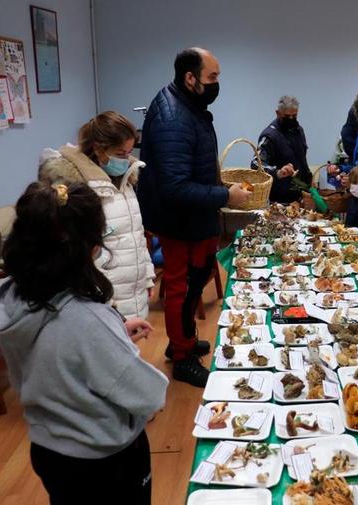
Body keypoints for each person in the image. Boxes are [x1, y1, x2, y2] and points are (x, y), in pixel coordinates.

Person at [0, 182, 168, 505]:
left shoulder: (14, 300)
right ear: (88, 249)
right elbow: (149, 393)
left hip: (49, 449)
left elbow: (55, 351)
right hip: (105, 460)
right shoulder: (87, 321)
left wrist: (111, 332)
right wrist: (107, 337)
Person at [137, 47, 251, 387]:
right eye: (212, 78)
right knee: (181, 288)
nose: (217, 84)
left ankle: (182, 341)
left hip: (194, 220)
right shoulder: (174, 116)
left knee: (193, 283)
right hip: (179, 223)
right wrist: (226, 196)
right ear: (190, 78)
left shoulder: (188, 105)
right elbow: (174, 188)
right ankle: (183, 357)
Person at [38, 111, 154, 320]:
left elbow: (136, 233)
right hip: (104, 298)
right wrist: (103, 298)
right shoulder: (78, 189)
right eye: (120, 153)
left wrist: (146, 278)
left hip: (131, 292)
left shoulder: (125, 179)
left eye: (129, 152)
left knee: (128, 349)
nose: (126, 159)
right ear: (99, 149)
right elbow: (76, 254)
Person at [253, 95, 312, 204]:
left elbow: (302, 159)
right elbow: (256, 164)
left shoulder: (299, 131)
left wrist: (308, 180)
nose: (291, 119)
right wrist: (278, 172)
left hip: (300, 195)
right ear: (278, 113)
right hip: (278, 200)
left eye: (294, 116)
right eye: (287, 116)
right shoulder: (269, 136)